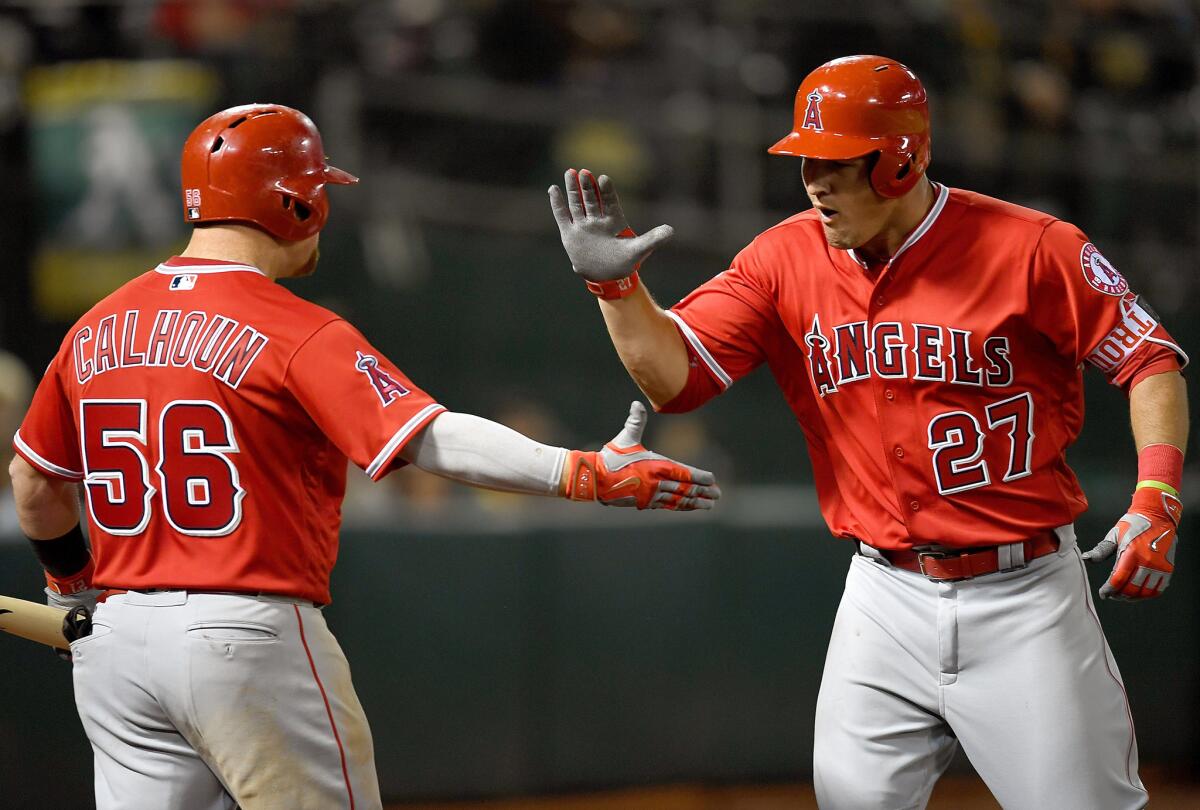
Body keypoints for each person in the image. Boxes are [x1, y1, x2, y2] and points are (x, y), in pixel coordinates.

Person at [8, 103, 720, 810]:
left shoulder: (95, 325)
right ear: (295, 204)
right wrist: (584, 472)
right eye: (320, 191)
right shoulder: (294, 328)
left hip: (118, 649)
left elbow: (34, 481)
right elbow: (432, 437)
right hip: (246, 633)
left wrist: (72, 593)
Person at [548, 55, 1187, 809]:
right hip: (880, 595)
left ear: (900, 159)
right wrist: (616, 290)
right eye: (806, 163)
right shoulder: (783, 257)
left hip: (1025, 598)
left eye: (836, 163)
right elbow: (674, 379)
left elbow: (1150, 359)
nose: (815, 181)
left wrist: (1157, 495)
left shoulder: (1033, 246)